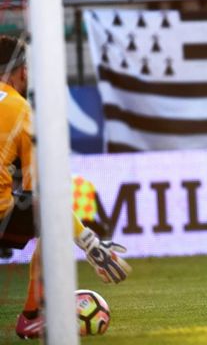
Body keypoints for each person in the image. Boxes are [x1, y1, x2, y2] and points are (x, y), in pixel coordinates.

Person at [0, 36, 132, 339]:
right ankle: (32, 316)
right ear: (20, 71)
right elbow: (43, 197)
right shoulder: (20, 109)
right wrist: (88, 242)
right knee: (53, 219)